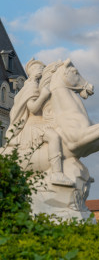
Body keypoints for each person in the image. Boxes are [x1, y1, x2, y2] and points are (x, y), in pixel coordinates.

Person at [7, 58, 74, 187]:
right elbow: (32, 108)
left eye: (42, 69)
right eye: (39, 69)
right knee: (54, 137)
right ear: (31, 71)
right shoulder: (31, 87)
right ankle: (56, 173)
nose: (41, 71)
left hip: (41, 122)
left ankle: (68, 165)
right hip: (33, 125)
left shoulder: (36, 85)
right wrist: (43, 96)